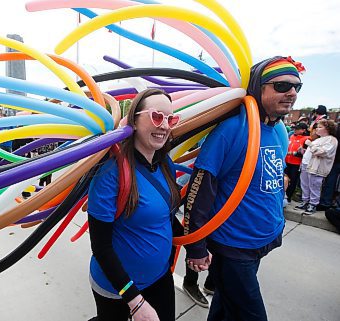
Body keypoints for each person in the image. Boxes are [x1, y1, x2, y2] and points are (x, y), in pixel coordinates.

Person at [183, 56, 305, 321]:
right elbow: (201, 190)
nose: (292, 92)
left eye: (297, 86)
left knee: (226, 306)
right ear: (259, 87)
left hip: (262, 239)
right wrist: (196, 246)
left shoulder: (281, 129)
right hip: (233, 246)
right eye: (282, 86)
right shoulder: (232, 129)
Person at [87, 89, 181, 321]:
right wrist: (135, 302)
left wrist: (197, 247)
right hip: (117, 289)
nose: (164, 126)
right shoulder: (110, 173)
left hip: (159, 277)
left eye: (171, 119)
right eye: (156, 116)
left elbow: (166, 217)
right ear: (134, 120)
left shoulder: (165, 163)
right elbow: (101, 247)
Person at [295, 119, 338, 214]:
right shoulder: (318, 139)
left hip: (316, 167)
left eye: (320, 127)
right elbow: (311, 151)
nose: (317, 129)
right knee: (305, 184)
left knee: (314, 185)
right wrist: (303, 151)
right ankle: (305, 201)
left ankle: (313, 204)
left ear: (327, 129)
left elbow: (323, 152)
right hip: (306, 164)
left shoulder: (332, 140)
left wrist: (310, 145)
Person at [284, 122, 309, 202]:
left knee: (293, 181)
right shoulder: (292, 136)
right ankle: (282, 195)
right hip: (287, 161)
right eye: (295, 129)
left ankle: (289, 197)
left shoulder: (307, 139)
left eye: (297, 129)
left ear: (303, 130)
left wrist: (294, 153)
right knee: (284, 179)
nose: (295, 130)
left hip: (296, 164)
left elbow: (306, 153)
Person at [317, 124, 340, 210]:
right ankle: (327, 202)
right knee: (330, 182)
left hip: (335, 160)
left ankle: (325, 202)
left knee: (330, 181)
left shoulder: (336, 131)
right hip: (335, 159)